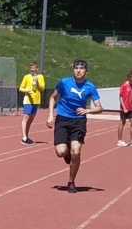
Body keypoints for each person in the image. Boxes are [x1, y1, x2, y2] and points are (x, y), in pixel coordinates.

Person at [46, 58, 102, 193]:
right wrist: (50, 114)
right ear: (73, 70)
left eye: (81, 68)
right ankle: (67, 154)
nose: (78, 70)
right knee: (61, 152)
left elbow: (99, 107)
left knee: (76, 151)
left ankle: (71, 181)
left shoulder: (90, 87)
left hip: (78, 121)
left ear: (86, 71)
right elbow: (53, 97)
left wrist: (87, 110)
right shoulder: (64, 82)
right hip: (63, 119)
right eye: (76, 68)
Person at [18, 63, 46, 144]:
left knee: (30, 120)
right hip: (28, 101)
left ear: (37, 69)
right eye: (31, 68)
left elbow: (42, 88)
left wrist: (37, 83)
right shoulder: (27, 77)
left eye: (33, 68)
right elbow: (21, 88)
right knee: (25, 118)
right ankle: (24, 138)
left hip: (36, 101)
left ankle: (26, 136)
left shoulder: (40, 77)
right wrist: (27, 91)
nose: (32, 70)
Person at [117, 71, 132, 146]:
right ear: (128, 77)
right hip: (124, 108)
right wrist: (124, 107)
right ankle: (119, 140)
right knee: (122, 122)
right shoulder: (124, 85)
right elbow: (120, 97)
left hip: (130, 108)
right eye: (131, 77)